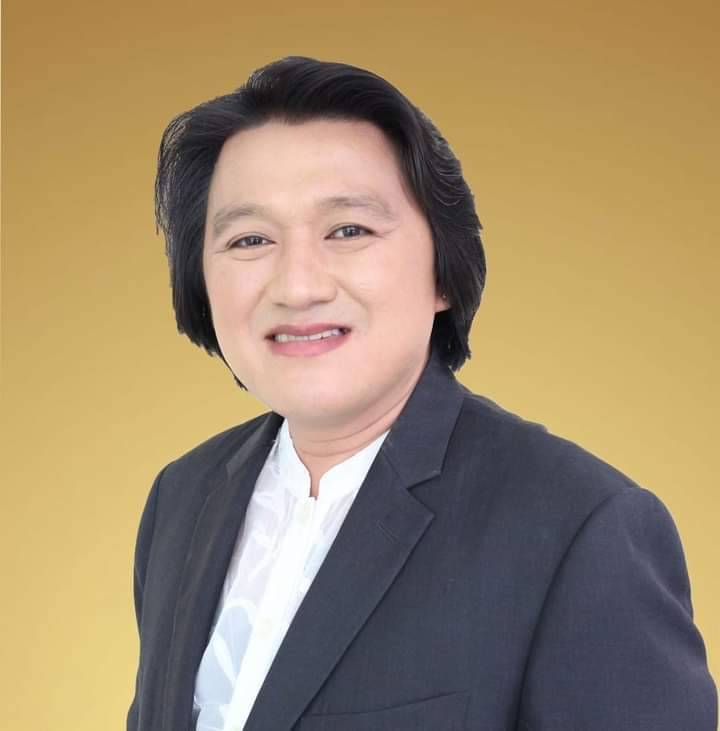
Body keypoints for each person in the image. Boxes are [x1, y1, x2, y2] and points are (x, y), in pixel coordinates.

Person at [127, 56, 717, 731]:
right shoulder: (183, 497)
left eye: (348, 230)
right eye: (250, 238)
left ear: (442, 270)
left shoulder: (580, 528)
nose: (297, 285)